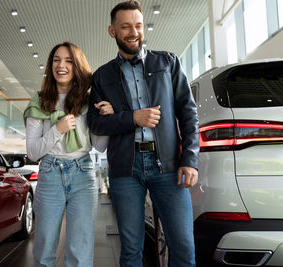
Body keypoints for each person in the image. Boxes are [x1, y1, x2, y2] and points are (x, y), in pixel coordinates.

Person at [87, 1, 199, 267]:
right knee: (130, 250)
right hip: (126, 168)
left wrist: (190, 159)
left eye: (138, 25)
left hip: (170, 166)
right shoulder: (102, 76)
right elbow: (95, 124)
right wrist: (132, 118)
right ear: (112, 31)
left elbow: (188, 114)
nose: (134, 32)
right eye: (125, 27)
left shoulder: (168, 63)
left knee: (183, 247)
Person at [24, 41, 113, 267]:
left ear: (77, 66)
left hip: (82, 173)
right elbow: (33, 152)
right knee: (44, 249)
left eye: (68, 60)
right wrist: (57, 130)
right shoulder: (40, 100)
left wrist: (106, 120)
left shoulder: (88, 100)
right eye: (56, 60)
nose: (61, 65)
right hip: (50, 173)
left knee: (80, 251)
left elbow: (99, 146)